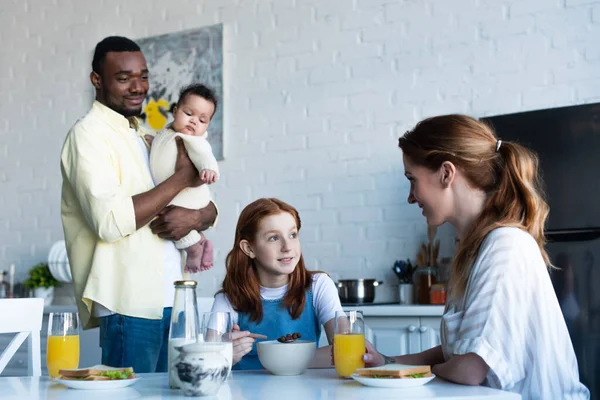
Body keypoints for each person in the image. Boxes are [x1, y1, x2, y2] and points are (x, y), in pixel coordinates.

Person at [361, 114, 589, 399]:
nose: (411, 196)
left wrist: (420, 371)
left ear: (446, 173)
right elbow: (456, 354)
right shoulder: (476, 248)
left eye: (412, 179)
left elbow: (469, 369)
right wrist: (389, 362)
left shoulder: (505, 245)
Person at [60, 36, 217, 373]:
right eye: (123, 78)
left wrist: (200, 215)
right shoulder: (88, 135)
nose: (137, 87)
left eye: (143, 76)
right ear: (97, 80)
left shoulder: (147, 134)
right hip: (127, 300)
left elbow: (203, 203)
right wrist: (181, 179)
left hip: (172, 298)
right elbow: (111, 222)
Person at [210, 198, 342, 370]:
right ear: (249, 249)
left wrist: (275, 359)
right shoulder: (228, 299)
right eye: (273, 238)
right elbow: (206, 360)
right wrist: (224, 356)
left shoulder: (319, 285)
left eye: (293, 235)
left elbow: (344, 346)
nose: (287, 246)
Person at [149, 83, 219, 273]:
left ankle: (194, 250)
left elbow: (205, 155)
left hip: (186, 196)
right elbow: (161, 147)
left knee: (172, 218)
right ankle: (203, 242)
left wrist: (209, 169)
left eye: (202, 120)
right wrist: (152, 142)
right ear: (175, 111)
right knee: (181, 221)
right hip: (179, 193)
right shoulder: (168, 132)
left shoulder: (194, 141)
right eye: (189, 114)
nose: (194, 121)